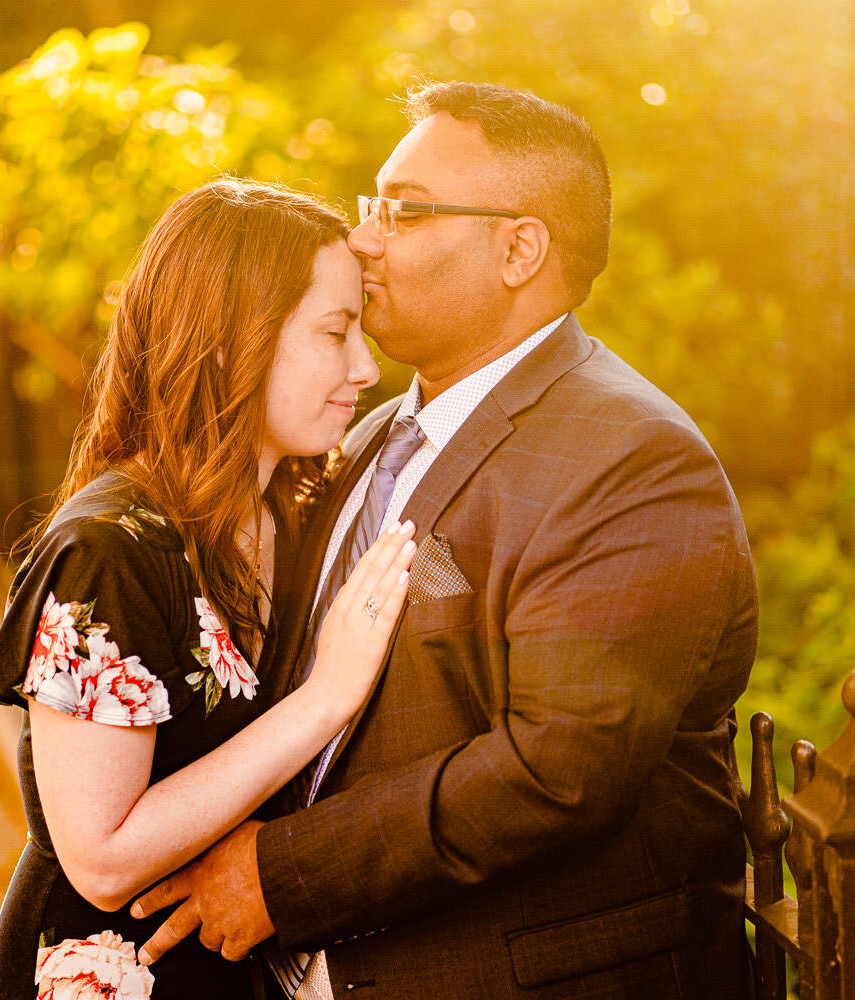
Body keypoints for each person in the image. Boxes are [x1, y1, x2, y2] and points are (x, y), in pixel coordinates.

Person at [131, 82, 760, 999]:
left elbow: (557, 770)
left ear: (519, 248)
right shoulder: (378, 433)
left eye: (408, 212)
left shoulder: (633, 461)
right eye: (372, 206)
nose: (365, 240)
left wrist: (282, 875)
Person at [0, 179, 418, 1000]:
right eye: (334, 332)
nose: (366, 366)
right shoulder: (108, 552)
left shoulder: (293, 507)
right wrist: (324, 699)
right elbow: (101, 859)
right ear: (228, 344)